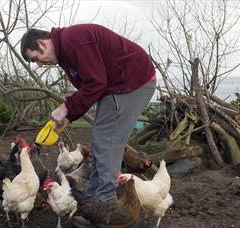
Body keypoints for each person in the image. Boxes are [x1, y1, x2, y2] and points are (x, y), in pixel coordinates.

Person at [20, 23, 156, 225]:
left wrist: (66, 107)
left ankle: (105, 208)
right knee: (101, 140)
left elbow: (95, 83)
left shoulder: (74, 41)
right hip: (117, 86)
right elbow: (90, 88)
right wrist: (68, 117)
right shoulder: (67, 53)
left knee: (107, 143)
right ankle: (90, 203)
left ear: (41, 43)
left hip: (131, 82)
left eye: (35, 58)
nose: (39, 64)